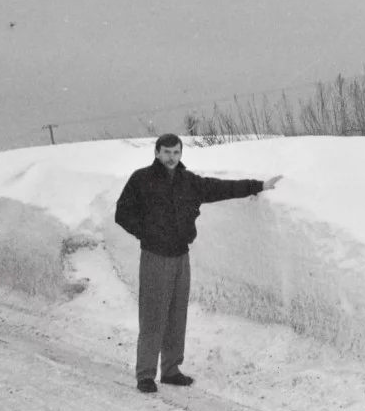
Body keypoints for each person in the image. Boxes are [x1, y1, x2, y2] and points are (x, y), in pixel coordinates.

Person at [114, 133, 282, 393]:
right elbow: (122, 213)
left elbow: (220, 188)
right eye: (167, 152)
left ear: (181, 154)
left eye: (176, 152)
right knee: (153, 315)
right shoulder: (141, 179)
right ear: (157, 153)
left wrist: (257, 185)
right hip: (155, 256)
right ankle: (145, 374)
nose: (172, 157)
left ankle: (170, 370)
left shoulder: (188, 182)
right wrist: (147, 233)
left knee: (176, 313)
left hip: (181, 255)